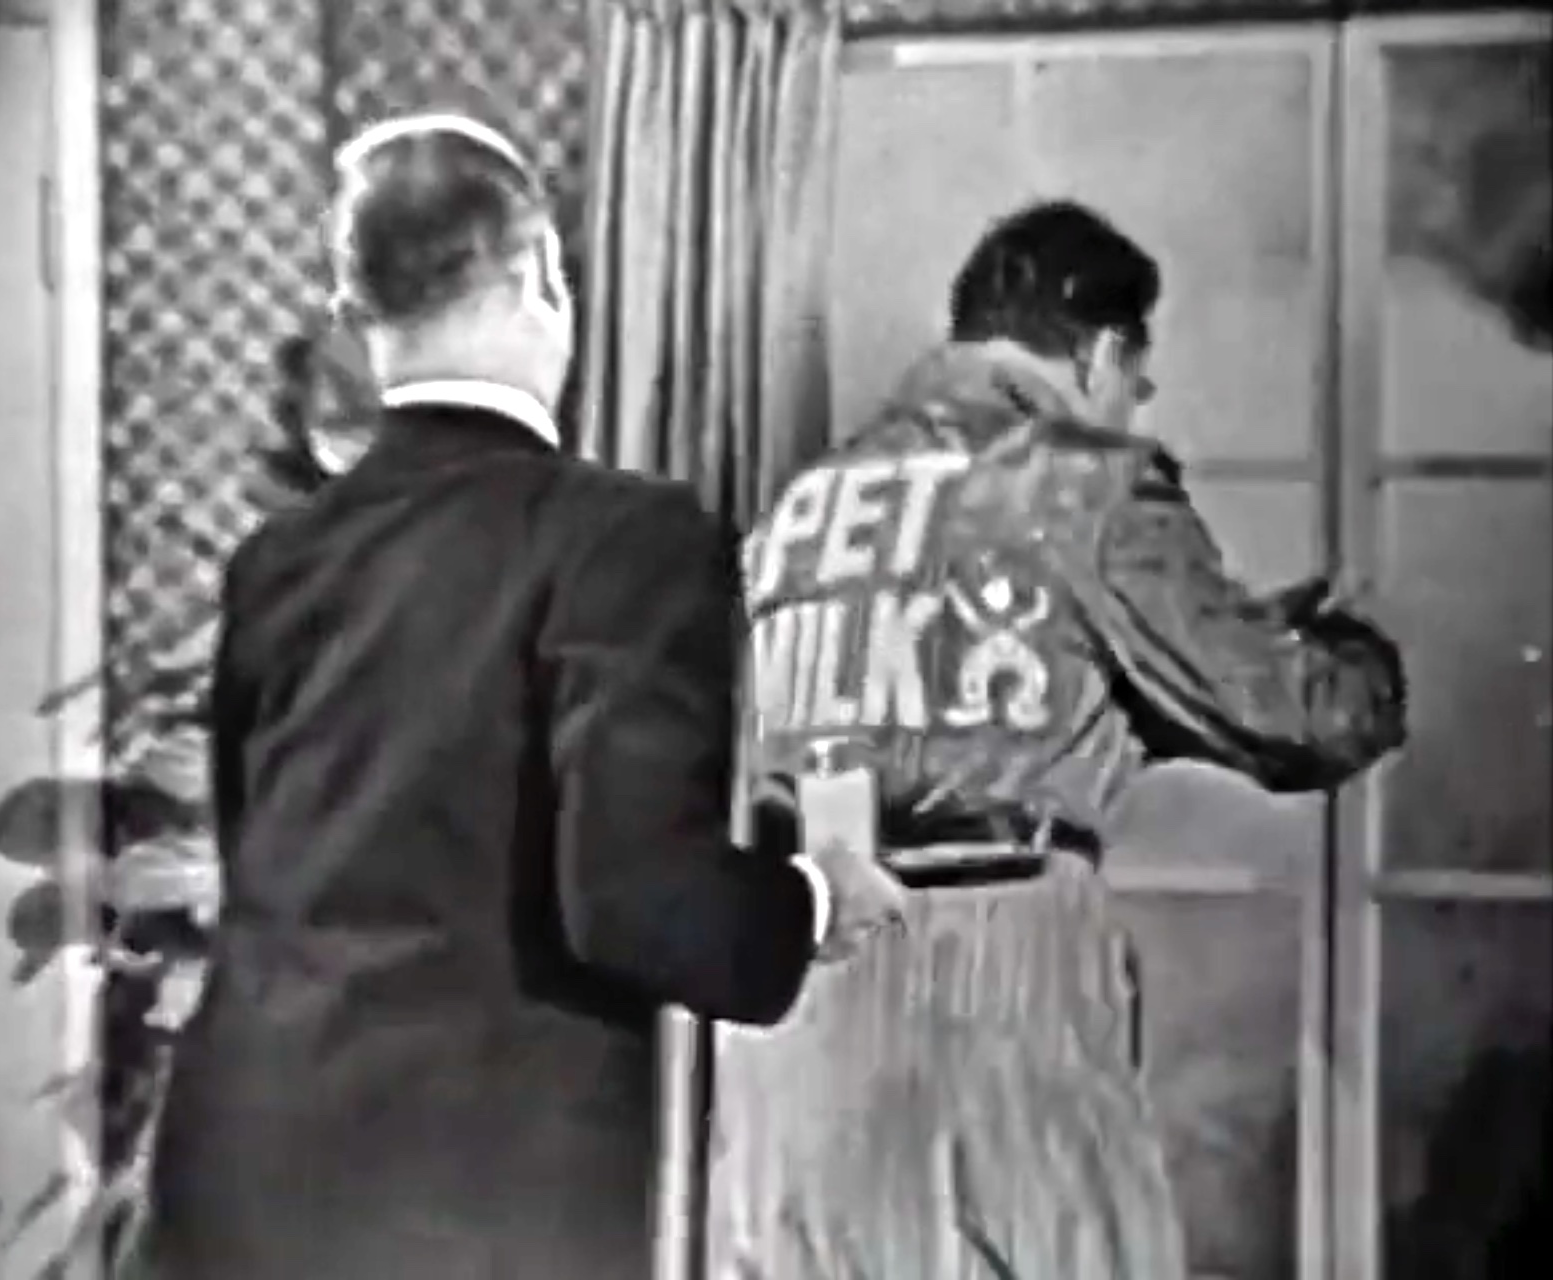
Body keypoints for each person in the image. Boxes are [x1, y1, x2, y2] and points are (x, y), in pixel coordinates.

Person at [137, 112, 904, 1280]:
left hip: (234, 1181)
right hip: (481, 1204)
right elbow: (635, 900)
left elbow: (268, 869)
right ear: (543, 271)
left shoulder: (275, 563)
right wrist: (809, 897)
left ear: (357, 313)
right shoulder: (630, 540)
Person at [716, 199, 1407, 1277]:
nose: (1132, 406)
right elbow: (1301, 718)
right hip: (1002, 979)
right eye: (1135, 381)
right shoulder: (1085, 483)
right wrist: (1359, 641)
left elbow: (947, 697)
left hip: (801, 998)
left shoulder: (802, 507)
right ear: (1098, 353)